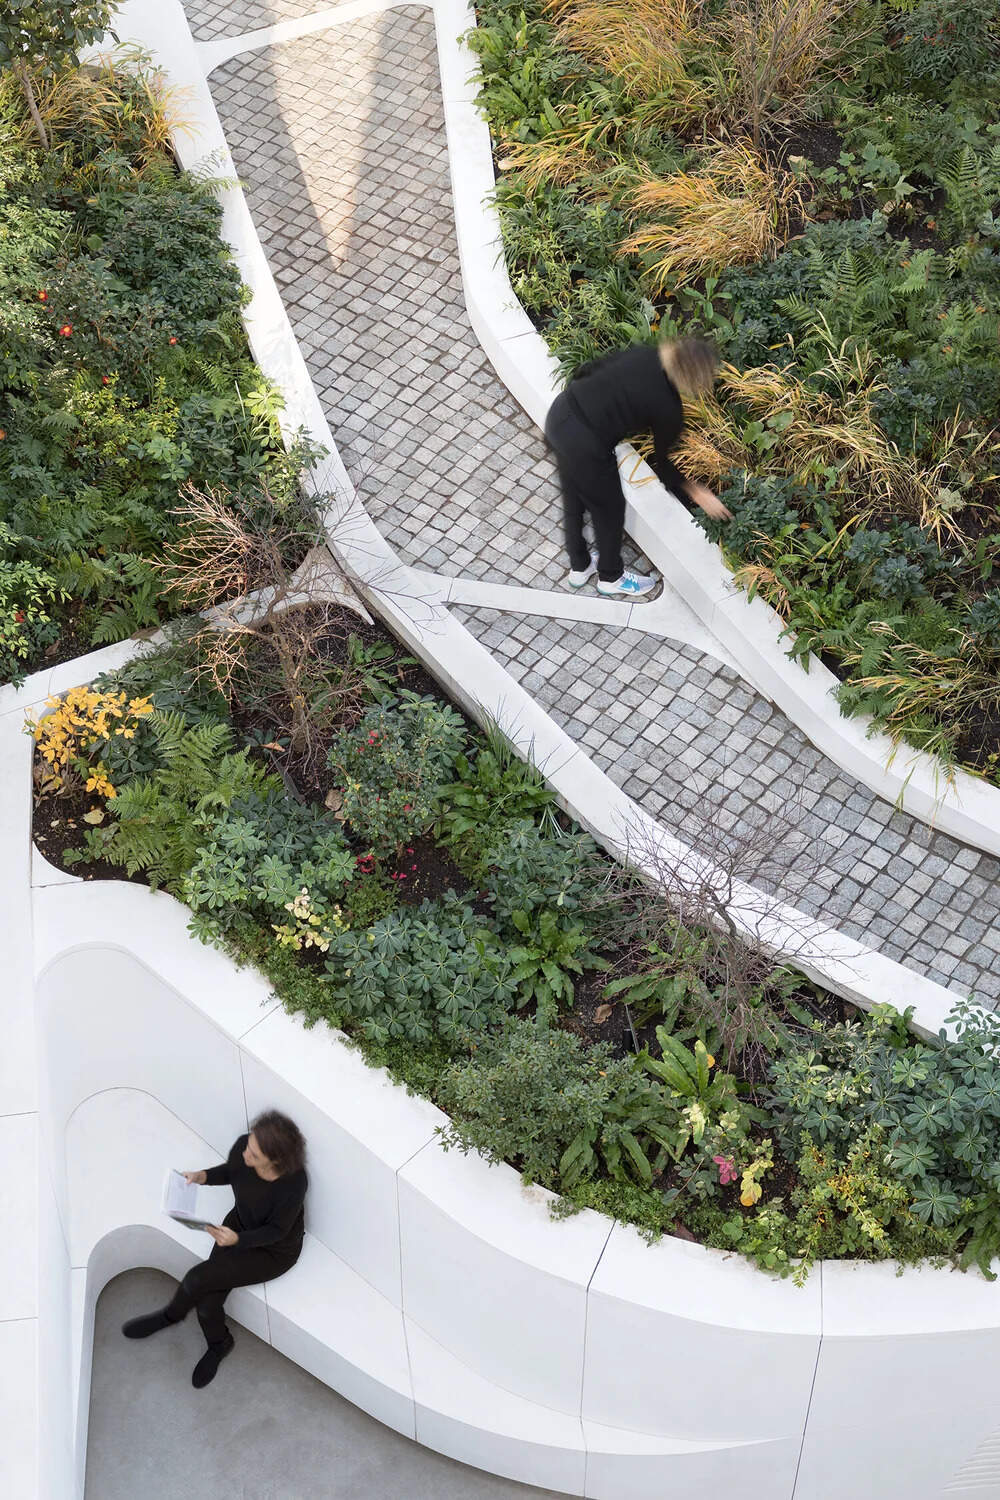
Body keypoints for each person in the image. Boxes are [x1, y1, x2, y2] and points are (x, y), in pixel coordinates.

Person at [122, 1111, 308, 1388]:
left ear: (276, 1161)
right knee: (208, 1303)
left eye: (254, 1156)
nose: (246, 1154)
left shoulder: (293, 1184)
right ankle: (219, 1342)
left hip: (273, 1252)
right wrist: (202, 1176)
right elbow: (232, 1171)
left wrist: (237, 1241)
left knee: (199, 1281)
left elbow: (277, 1232)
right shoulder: (244, 1148)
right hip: (238, 1227)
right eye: (248, 1146)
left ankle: (173, 1319)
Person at [544, 335, 733, 598]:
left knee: (573, 498)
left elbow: (587, 369)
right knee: (608, 508)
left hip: (559, 414)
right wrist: (699, 493)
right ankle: (611, 577)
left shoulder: (646, 354)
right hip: (587, 445)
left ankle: (580, 566)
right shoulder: (668, 406)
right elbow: (663, 467)